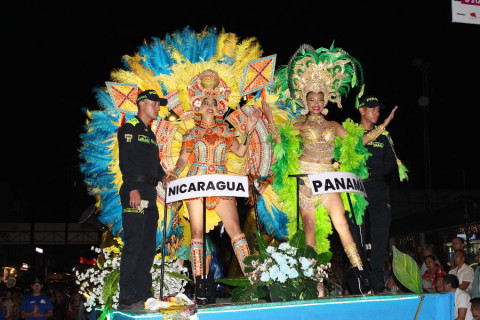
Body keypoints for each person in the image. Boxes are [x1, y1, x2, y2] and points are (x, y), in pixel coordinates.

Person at [264, 44, 397, 293]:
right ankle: (318, 285)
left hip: (328, 178)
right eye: (311, 99)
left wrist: (382, 126)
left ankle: (361, 275)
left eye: (320, 99)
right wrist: (270, 119)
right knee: (310, 231)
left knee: (342, 225)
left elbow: (357, 142)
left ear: (326, 100)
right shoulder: (299, 125)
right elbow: (279, 142)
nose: (316, 103)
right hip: (305, 180)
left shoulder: (334, 124)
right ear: (305, 101)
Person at [166, 69, 262, 304]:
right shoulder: (191, 134)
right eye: (206, 102)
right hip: (196, 185)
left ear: (220, 108)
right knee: (197, 235)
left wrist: (249, 128)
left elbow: (240, 151)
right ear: (198, 106)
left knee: (236, 233)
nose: (210, 105)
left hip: (220, 185)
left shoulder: (226, 131)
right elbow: (182, 161)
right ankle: (201, 286)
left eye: (215, 102)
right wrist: (173, 174)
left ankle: (253, 283)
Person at [117, 89, 168, 310]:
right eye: (155, 104)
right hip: (134, 190)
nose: (158, 108)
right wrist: (131, 188)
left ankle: (143, 293)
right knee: (134, 243)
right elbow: (125, 161)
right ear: (143, 103)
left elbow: (153, 164)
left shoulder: (150, 133)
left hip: (149, 192)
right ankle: (126, 294)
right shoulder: (129, 128)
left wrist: (165, 177)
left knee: (148, 245)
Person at [357, 95, 406, 292]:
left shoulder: (384, 136)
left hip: (378, 188)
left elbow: (391, 162)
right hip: (355, 188)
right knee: (356, 234)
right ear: (362, 110)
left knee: (380, 234)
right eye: (372, 109)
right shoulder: (350, 132)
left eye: (378, 110)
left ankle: (377, 279)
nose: (376, 112)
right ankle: (359, 276)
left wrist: (372, 172)